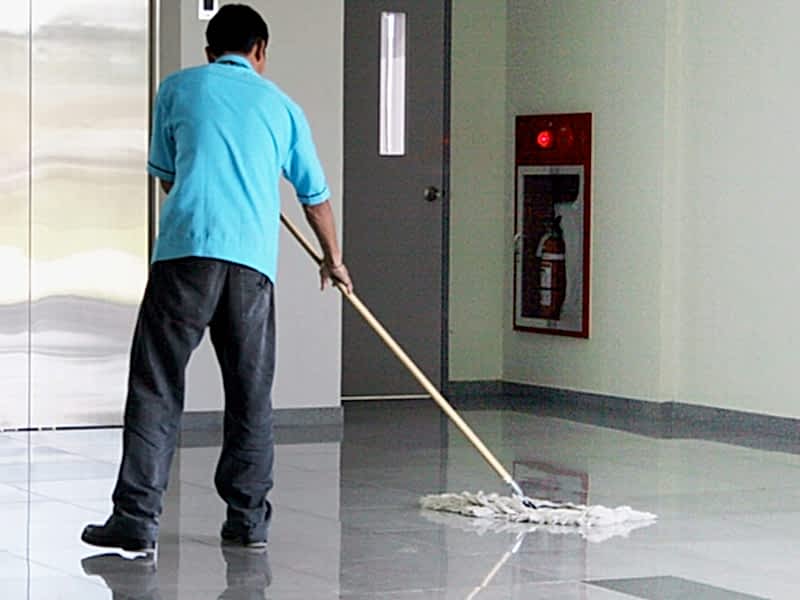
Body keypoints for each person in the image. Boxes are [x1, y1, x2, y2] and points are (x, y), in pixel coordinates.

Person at [82, 3, 351, 554]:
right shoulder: (283, 107)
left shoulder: (177, 89)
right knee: (250, 394)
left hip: (185, 255)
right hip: (251, 267)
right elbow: (315, 198)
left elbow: (168, 177)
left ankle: (136, 518)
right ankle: (247, 521)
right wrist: (333, 259)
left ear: (210, 52)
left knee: (156, 384)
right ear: (260, 51)